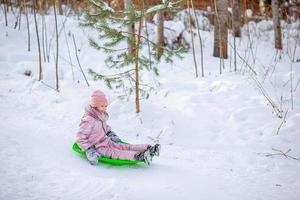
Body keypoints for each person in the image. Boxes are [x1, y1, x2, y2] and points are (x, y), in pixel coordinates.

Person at [76, 90, 160, 165]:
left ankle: (148, 148)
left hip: (105, 141)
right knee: (117, 153)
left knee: (122, 146)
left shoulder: (100, 115)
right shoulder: (89, 120)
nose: (105, 108)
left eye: (106, 106)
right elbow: (80, 138)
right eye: (102, 106)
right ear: (95, 106)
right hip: (97, 147)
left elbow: (104, 127)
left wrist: (110, 133)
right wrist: (89, 150)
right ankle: (139, 156)